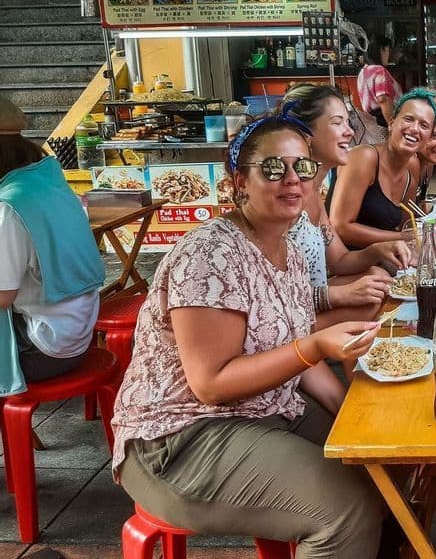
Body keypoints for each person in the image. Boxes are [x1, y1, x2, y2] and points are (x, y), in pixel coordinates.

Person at [111, 116, 383, 558]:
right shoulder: (209, 254)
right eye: (273, 168)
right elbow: (212, 383)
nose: (292, 179)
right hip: (181, 438)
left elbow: (297, 351)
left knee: (380, 465)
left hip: (267, 410)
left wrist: (354, 415)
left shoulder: (289, 249)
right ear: (240, 182)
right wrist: (314, 346)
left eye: (302, 167)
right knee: (347, 510)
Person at [281, 85, 414, 323]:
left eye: (347, 122)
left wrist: (378, 249)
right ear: (306, 134)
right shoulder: (286, 198)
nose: (349, 131)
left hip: (309, 304)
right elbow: (270, 296)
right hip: (286, 320)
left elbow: (340, 260)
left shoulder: (313, 194)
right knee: (373, 297)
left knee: (377, 278)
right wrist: (339, 295)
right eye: (337, 122)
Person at [0, 97, 104, 393]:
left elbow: (3, 297)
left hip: (45, 350)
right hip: (79, 333)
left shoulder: (10, 207)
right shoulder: (48, 182)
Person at [327, 87, 436, 249]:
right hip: (344, 258)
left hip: (385, 257)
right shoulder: (364, 157)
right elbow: (340, 227)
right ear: (391, 123)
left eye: (424, 125)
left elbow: (407, 225)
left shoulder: (412, 165)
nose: (415, 129)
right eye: (408, 119)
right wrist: (405, 238)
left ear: (428, 137)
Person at [356, 36, 403, 128]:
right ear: (381, 50)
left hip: (371, 123)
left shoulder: (363, 71)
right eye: (388, 50)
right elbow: (383, 99)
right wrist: (392, 124)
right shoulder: (379, 71)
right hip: (384, 121)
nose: (388, 55)